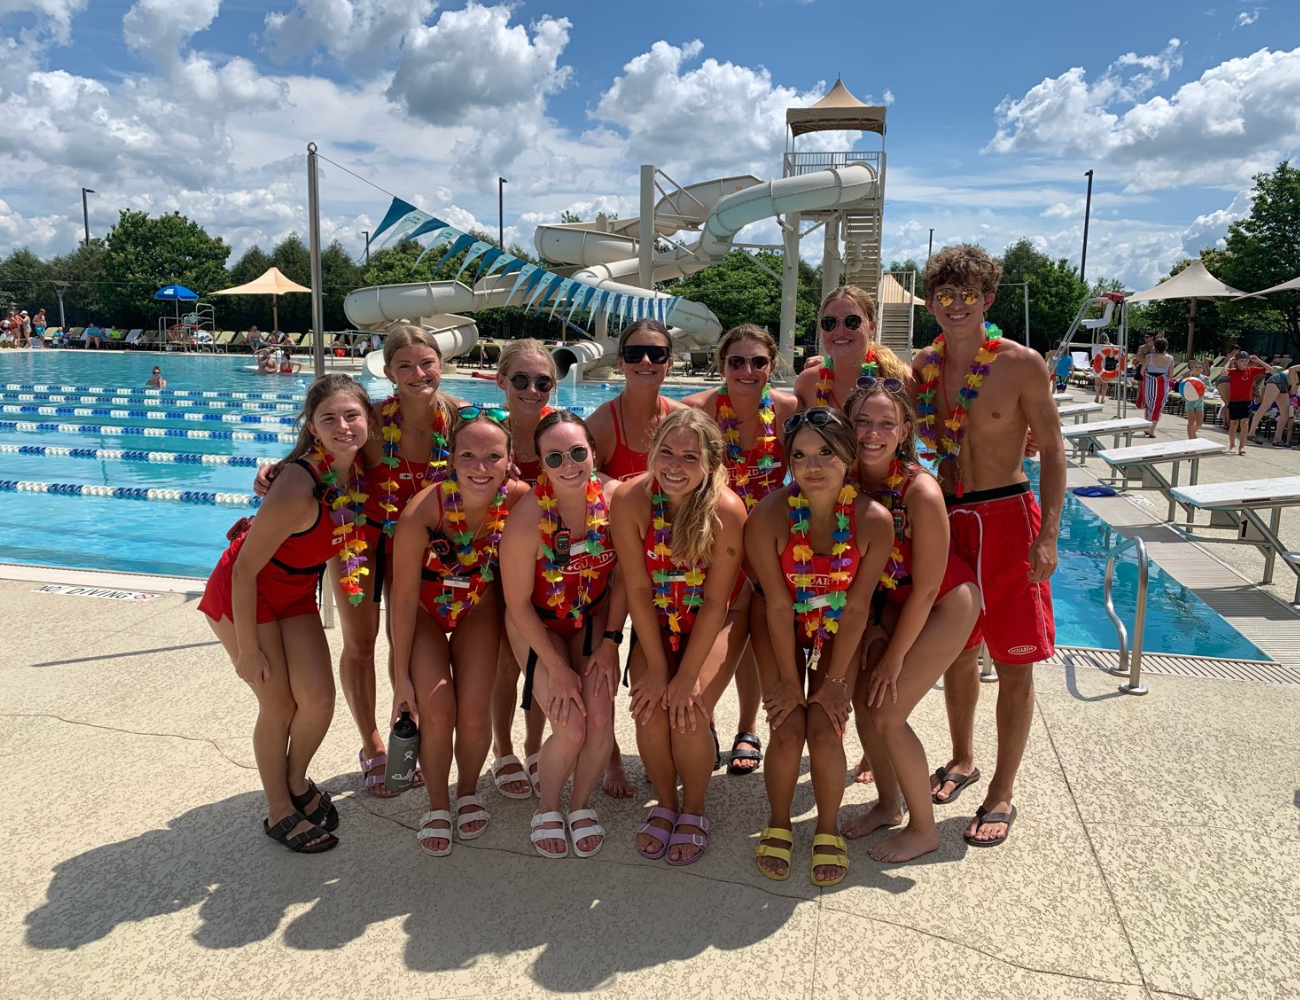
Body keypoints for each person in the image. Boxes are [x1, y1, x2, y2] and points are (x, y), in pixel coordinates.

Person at [915, 245, 1065, 849]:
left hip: (1008, 515)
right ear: (931, 303)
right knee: (956, 651)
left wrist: (1048, 534)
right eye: (945, 296)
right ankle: (962, 758)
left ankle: (1002, 790)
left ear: (988, 300)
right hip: (950, 517)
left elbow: (1052, 449)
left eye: (968, 296)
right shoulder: (923, 367)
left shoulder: (1021, 364)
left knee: (1014, 661)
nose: (956, 306)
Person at [198, 373, 374, 853]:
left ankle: (296, 781)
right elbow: (243, 571)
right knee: (279, 705)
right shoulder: (298, 483)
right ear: (312, 428)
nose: (343, 426)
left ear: (368, 419)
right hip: (244, 592)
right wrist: (247, 650)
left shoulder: (358, 471)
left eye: (352, 415)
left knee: (318, 700)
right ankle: (278, 809)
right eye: (329, 418)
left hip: (294, 593)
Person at [746, 407, 892, 884]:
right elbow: (777, 604)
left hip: (838, 625)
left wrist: (834, 683)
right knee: (788, 724)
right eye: (800, 455)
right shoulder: (768, 516)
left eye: (826, 452)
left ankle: (827, 827)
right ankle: (779, 822)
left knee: (827, 726)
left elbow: (857, 608)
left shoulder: (874, 521)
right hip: (778, 620)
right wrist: (790, 682)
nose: (812, 466)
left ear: (849, 456)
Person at [841, 381, 982, 862]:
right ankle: (888, 803)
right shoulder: (846, 480)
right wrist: (875, 624)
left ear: (904, 432)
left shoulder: (920, 490)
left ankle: (924, 829)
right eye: (862, 422)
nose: (872, 433)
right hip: (893, 600)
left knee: (888, 712)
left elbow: (926, 587)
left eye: (886, 424)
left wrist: (893, 657)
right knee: (865, 703)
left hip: (944, 601)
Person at [610, 408, 748, 865]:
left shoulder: (726, 509)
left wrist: (686, 677)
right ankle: (667, 803)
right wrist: (656, 668)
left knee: (688, 709)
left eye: (690, 457)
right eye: (666, 452)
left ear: (710, 462)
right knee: (650, 710)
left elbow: (716, 602)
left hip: (717, 618)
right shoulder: (630, 499)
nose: (674, 465)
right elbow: (637, 588)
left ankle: (694, 807)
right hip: (657, 617)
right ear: (652, 451)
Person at [389, 407, 529, 856]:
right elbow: (403, 599)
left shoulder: (520, 499)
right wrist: (399, 678)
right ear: (451, 458)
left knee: (472, 713)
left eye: (493, 456)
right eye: (468, 455)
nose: (480, 467)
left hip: (476, 609)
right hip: (425, 612)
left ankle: (467, 792)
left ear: (510, 460)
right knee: (436, 710)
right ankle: (437, 804)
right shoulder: (423, 511)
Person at [499, 411, 625, 858]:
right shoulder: (527, 519)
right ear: (541, 464)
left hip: (592, 619)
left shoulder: (617, 499)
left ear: (593, 451)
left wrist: (611, 642)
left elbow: (626, 580)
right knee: (570, 729)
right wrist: (557, 668)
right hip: (538, 623)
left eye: (576, 452)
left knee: (600, 722)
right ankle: (547, 806)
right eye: (555, 458)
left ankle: (579, 805)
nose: (568, 464)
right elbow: (516, 604)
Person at [683, 324, 799, 777]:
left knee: (753, 635)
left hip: (769, 539)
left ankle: (747, 728)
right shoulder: (698, 410)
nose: (747, 370)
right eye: (737, 361)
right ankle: (707, 722)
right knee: (706, 626)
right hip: (713, 537)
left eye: (758, 362)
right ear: (722, 365)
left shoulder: (788, 409)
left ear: (772, 366)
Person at [587, 318, 687, 798]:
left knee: (674, 657)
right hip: (614, 564)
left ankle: (677, 742)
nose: (645, 361)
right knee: (604, 659)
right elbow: (577, 480)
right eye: (634, 353)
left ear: (670, 362)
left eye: (656, 354)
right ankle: (611, 760)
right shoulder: (603, 423)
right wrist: (612, 486)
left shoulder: (683, 419)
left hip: (670, 567)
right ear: (620, 361)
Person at [488, 339, 559, 799]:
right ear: (501, 381)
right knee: (504, 662)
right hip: (494, 562)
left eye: (542, 382)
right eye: (521, 379)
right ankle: (503, 748)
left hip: (550, 566)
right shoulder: (486, 433)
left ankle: (534, 745)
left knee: (539, 656)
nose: (532, 390)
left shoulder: (561, 432)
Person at [794, 285, 911, 410]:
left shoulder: (900, 379)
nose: (840, 331)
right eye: (829, 322)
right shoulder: (807, 382)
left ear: (872, 328)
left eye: (852, 321)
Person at [1217, 351, 1268, 455]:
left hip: (1246, 401)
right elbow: (1223, 373)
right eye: (1241, 360)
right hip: (1234, 401)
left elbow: (1270, 369)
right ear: (1237, 361)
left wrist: (1258, 360)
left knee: (1244, 423)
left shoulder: (1251, 370)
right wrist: (1229, 362)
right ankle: (1232, 445)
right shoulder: (1233, 371)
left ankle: (1242, 446)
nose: (1244, 362)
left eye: (1246, 360)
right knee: (1234, 424)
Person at [1247, 361, 1300, 447]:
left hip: (1285, 384)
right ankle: (1251, 433)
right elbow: (1291, 369)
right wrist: (1294, 385)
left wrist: (1294, 388)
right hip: (1278, 379)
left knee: (1285, 413)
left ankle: (1277, 439)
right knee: (1265, 406)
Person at [1139, 336, 1173, 436]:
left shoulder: (1149, 357)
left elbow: (1142, 371)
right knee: (1158, 406)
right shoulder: (1170, 358)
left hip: (1149, 383)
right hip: (1162, 384)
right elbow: (1170, 375)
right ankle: (1152, 430)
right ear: (1166, 346)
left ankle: (1147, 427)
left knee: (1148, 405)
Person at [1178, 360, 1209, 440]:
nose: (1198, 368)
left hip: (1199, 402)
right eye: (1196, 367)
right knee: (1191, 420)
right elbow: (1181, 388)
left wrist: (1206, 388)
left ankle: (1192, 432)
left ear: (1202, 369)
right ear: (1192, 368)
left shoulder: (1204, 379)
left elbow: (1212, 389)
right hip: (1189, 402)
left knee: (1199, 423)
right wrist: (1183, 396)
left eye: (1200, 367)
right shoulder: (1188, 378)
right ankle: (1191, 438)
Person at [1090, 333, 1122, 404]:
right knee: (1105, 383)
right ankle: (1103, 398)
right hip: (1106, 366)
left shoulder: (1095, 346)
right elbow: (1116, 355)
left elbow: (1093, 356)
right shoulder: (1109, 346)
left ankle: (1097, 395)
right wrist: (1110, 344)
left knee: (1097, 383)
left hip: (1097, 366)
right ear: (1107, 339)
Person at [1133, 333, 1155, 412]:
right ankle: (1139, 402)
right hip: (1142, 366)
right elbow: (1137, 357)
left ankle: (1148, 403)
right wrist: (1146, 361)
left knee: (1150, 386)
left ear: (1152, 337)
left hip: (1152, 368)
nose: (1145, 338)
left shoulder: (1155, 347)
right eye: (1145, 337)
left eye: (1147, 337)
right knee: (1140, 385)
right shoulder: (1142, 347)